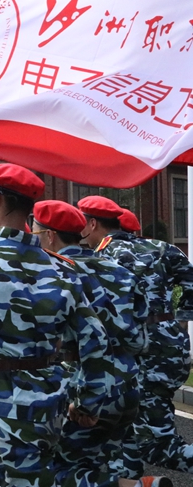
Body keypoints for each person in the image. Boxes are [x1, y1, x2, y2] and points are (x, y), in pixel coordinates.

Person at [0, 163, 111, 487]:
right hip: (53, 397)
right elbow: (95, 338)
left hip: (4, 400)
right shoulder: (63, 266)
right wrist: (88, 403)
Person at [31, 200, 167, 487]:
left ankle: (140, 486)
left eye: (35, 232)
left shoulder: (54, 272)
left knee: (51, 471)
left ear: (50, 236)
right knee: (99, 463)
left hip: (83, 384)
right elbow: (141, 330)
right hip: (127, 384)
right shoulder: (117, 269)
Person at [79, 195, 193, 480]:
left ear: (92, 224)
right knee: (127, 432)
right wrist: (180, 320)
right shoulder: (161, 247)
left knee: (157, 445)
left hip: (140, 354)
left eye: (82, 224)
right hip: (171, 343)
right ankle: (131, 479)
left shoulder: (99, 259)